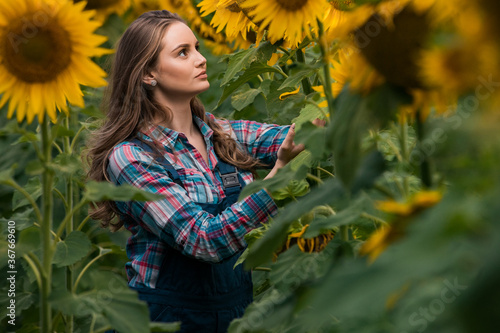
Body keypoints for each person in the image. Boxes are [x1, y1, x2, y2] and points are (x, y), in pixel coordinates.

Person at [86, 10, 304, 333]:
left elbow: (290, 137)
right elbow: (204, 241)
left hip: (235, 317)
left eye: (198, 48)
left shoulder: (220, 134)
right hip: (164, 320)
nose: (201, 59)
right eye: (183, 53)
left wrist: (328, 116)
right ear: (148, 74)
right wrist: (279, 177)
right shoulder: (131, 157)